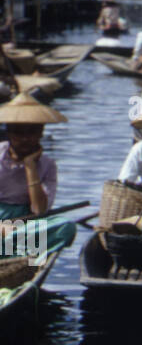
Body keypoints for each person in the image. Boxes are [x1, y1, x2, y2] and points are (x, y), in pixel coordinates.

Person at [0, 93, 76, 253]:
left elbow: (39, 210)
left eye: (32, 132)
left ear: (40, 133)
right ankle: (12, 248)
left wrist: (30, 167)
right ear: (9, 132)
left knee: (66, 227)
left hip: (27, 225)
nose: (25, 139)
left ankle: (14, 250)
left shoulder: (48, 165)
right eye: (19, 132)